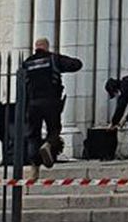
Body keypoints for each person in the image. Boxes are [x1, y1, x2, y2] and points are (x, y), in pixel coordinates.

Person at [19, 38, 83, 176]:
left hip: (32, 104)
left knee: (32, 135)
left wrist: (24, 108)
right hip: (51, 102)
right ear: (46, 47)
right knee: (54, 129)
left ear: (35, 47)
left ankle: (34, 166)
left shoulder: (26, 63)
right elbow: (76, 64)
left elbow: (22, 86)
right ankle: (48, 144)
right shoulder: (53, 59)